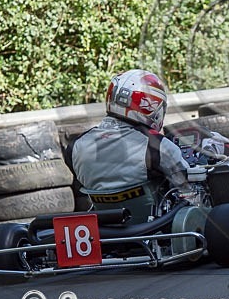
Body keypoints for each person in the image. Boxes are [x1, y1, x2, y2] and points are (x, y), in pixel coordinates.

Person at [70, 69, 190, 222]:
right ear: (151, 105)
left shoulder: (75, 146)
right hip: (155, 232)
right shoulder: (157, 146)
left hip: (106, 232)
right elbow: (187, 189)